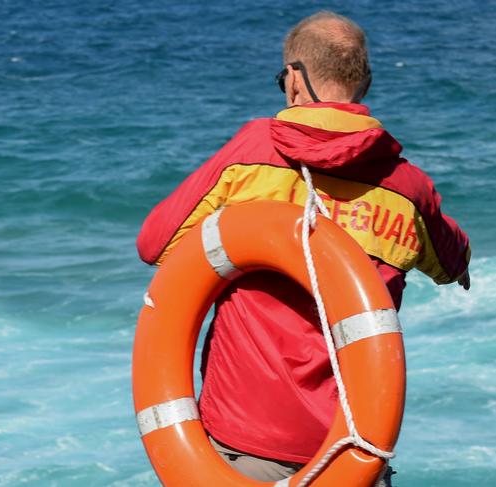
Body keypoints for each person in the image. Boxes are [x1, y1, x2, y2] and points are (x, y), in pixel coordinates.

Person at [136, 11, 471, 486]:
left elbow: (155, 244)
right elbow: (454, 262)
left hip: (241, 443)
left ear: (294, 78)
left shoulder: (252, 154)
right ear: (366, 82)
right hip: (353, 448)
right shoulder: (405, 187)